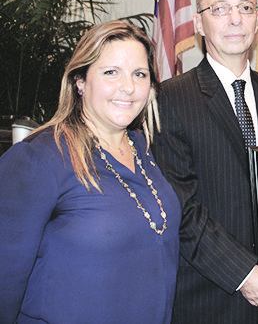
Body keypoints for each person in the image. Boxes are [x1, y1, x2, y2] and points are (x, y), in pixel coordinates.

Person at [151, 0, 258, 324]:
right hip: (208, 297)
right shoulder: (170, 99)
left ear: (257, 21)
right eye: (220, 9)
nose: (235, 18)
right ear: (199, 24)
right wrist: (242, 273)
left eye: (245, 7)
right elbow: (181, 207)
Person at [0, 21, 181, 324]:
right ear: (80, 81)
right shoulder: (39, 158)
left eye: (139, 74)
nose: (128, 86)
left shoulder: (144, 149)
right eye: (111, 72)